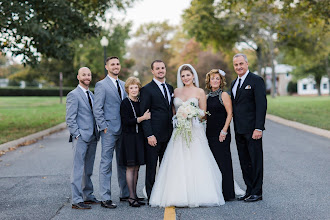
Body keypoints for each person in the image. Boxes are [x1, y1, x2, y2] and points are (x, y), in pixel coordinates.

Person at [149, 64, 225, 207]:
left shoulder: (200, 92)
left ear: (193, 76)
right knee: (177, 161)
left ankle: (201, 194)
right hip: (179, 131)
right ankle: (176, 194)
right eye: (183, 76)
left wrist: (192, 114)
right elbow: (173, 112)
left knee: (197, 160)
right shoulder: (176, 91)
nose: (185, 78)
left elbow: (204, 115)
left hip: (195, 130)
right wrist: (180, 117)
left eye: (188, 75)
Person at [93, 56, 129, 209]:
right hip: (109, 130)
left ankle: (125, 194)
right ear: (106, 67)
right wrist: (103, 126)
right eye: (112, 64)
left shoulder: (123, 84)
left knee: (123, 163)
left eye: (117, 64)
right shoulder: (101, 85)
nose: (116, 66)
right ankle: (105, 198)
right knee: (106, 163)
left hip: (124, 130)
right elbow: (97, 107)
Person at [231, 53, 267, 202]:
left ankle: (257, 192)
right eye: (236, 65)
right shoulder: (234, 83)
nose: (239, 67)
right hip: (239, 130)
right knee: (244, 161)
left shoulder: (256, 80)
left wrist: (259, 128)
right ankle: (249, 190)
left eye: (241, 64)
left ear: (247, 64)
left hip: (253, 130)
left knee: (255, 160)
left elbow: (261, 105)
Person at [66, 67, 100, 209]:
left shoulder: (91, 94)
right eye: (84, 75)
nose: (87, 77)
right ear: (78, 77)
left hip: (92, 136)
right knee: (78, 169)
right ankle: (76, 200)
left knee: (88, 169)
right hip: (81, 137)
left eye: (89, 75)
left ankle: (88, 195)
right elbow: (70, 118)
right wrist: (77, 134)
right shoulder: (73, 94)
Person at [140, 60, 174, 201]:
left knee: (166, 166)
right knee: (152, 167)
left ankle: (164, 194)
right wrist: (149, 134)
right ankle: (151, 195)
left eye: (162, 67)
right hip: (154, 135)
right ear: (152, 71)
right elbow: (145, 113)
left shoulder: (170, 88)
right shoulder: (147, 89)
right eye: (157, 68)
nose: (160, 70)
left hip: (169, 134)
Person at [119, 77, 150, 207]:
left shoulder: (140, 101)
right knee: (130, 167)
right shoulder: (125, 103)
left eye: (136, 87)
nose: (133, 90)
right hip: (129, 138)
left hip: (139, 137)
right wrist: (142, 118)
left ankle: (135, 195)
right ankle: (131, 197)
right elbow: (126, 122)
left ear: (139, 89)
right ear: (127, 89)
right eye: (131, 88)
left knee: (137, 167)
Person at [205, 69, 236, 201]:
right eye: (213, 78)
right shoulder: (206, 97)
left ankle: (227, 194)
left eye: (218, 78)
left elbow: (230, 113)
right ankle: (217, 191)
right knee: (213, 163)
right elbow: (205, 116)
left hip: (221, 133)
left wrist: (224, 130)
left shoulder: (223, 95)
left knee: (224, 162)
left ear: (221, 81)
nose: (215, 81)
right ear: (209, 81)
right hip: (209, 133)